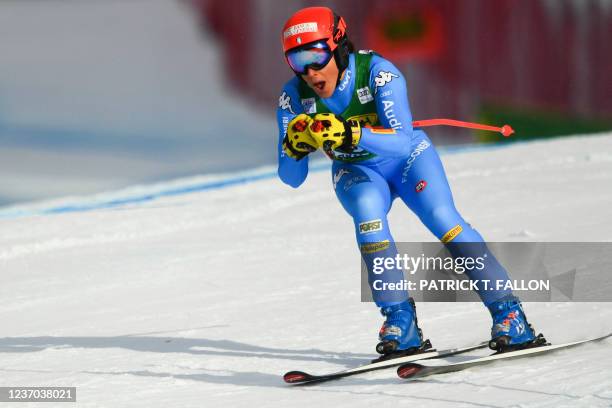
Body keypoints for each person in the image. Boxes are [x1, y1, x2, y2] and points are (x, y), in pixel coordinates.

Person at [276, 6, 542, 357]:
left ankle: (508, 312)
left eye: (316, 55)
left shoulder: (379, 74)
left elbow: (401, 142)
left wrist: (348, 132)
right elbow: (291, 178)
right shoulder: (294, 97)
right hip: (359, 172)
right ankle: (399, 320)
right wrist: (293, 148)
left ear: (339, 46)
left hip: (408, 161)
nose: (309, 71)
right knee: (369, 219)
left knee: (444, 221)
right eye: (297, 61)